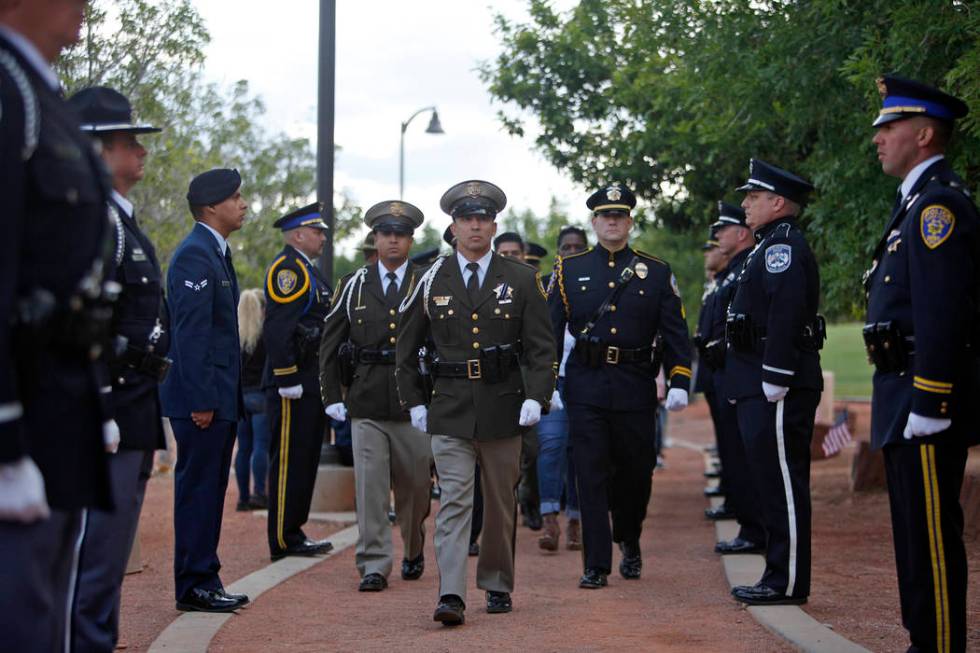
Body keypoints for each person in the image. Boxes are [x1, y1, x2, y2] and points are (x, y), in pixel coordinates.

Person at [0, 3, 114, 648]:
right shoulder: (8, 89)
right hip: (22, 408)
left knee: (42, 612)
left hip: (56, 398)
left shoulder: (36, 88)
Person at [396, 179, 556, 625]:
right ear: (453, 226)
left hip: (504, 405)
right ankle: (451, 594)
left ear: (494, 225)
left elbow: (542, 348)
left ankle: (497, 582)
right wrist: (414, 401)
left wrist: (538, 396)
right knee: (454, 502)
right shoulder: (430, 279)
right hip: (448, 407)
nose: (474, 227)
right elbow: (405, 350)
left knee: (501, 502)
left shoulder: (521, 278)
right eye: (466, 219)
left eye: (482, 219)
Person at [864, 75, 976, 652]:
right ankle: (923, 641)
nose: (878, 138)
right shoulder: (914, 204)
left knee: (931, 536)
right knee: (912, 534)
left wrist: (932, 400)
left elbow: (942, 312)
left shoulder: (938, 207)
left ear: (925, 134)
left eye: (889, 127)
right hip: (900, 392)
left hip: (921, 397)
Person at [67, 85, 171, 652]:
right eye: (130, 141)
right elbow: (90, 322)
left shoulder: (119, 219)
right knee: (96, 557)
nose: (141, 151)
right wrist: (102, 407)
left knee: (108, 558)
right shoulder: (97, 220)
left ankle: (97, 640)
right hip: (111, 407)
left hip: (136, 403)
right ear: (100, 150)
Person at [549, 184, 692, 589]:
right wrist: (547, 383)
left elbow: (675, 332)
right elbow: (549, 331)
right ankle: (596, 563)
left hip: (635, 384)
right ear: (594, 222)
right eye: (605, 215)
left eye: (620, 215)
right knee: (589, 472)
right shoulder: (569, 269)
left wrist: (679, 377)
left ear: (629, 221)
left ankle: (629, 537)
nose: (612, 221)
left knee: (636, 473)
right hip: (586, 384)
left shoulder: (657, 270)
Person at [320, 200, 432, 592]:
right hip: (366, 400)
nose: (393, 241)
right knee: (370, 487)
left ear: (411, 239)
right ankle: (373, 563)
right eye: (386, 235)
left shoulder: (427, 282)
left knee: (416, 488)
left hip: (413, 403)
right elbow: (329, 343)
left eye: (400, 235)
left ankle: (414, 546)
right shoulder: (353, 284)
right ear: (376, 238)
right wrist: (332, 394)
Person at [725, 159, 823, 606]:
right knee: (769, 481)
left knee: (783, 485)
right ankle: (776, 575)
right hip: (757, 381)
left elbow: (784, 313)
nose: (746, 204)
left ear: (777, 202)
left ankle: (785, 582)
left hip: (776, 383)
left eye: (754, 196)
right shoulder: (767, 246)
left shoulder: (783, 247)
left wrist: (776, 375)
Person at [160, 168, 249, 613]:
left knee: (211, 491)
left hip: (217, 397)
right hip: (203, 400)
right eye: (236, 197)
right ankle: (195, 584)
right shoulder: (196, 255)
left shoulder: (214, 252)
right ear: (212, 207)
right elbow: (189, 334)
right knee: (198, 491)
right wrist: (201, 400)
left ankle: (206, 577)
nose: (244, 204)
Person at [263, 203, 335, 561]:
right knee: (290, 461)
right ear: (298, 235)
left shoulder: (309, 270)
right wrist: (287, 376)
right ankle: (282, 537)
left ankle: (294, 530)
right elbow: (278, 329)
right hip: (293, 383)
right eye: (317, 231)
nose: (323, 236)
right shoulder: (288, 270)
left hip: (310, 379)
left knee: (305, 459)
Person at [703, 204, 766, 555]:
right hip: (723, 373)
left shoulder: (745, 267)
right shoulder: (732, 272)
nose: (717, 237)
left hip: (736, 372)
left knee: (743, 455)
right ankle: (748, 524)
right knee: (733, 452)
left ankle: (754, 529)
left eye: (722, 230)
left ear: (741, 233)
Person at [537, 226, 588, 551]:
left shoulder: (595, 285)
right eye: (566, 247)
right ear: (558, 251)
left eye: (577, 247)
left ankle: (576, 520)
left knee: (580, 451)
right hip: (553, 381)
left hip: (585, 381)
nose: (571, 251)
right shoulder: (543, 288)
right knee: (552, 445)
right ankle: (549, 519)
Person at [235, 288, 269, 511]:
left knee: (243, 449)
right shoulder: (264, 334)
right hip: (260, 396)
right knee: (260, 446)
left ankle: (243, 498)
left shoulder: (235, 335)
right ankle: (259, 492)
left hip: (240, 397)